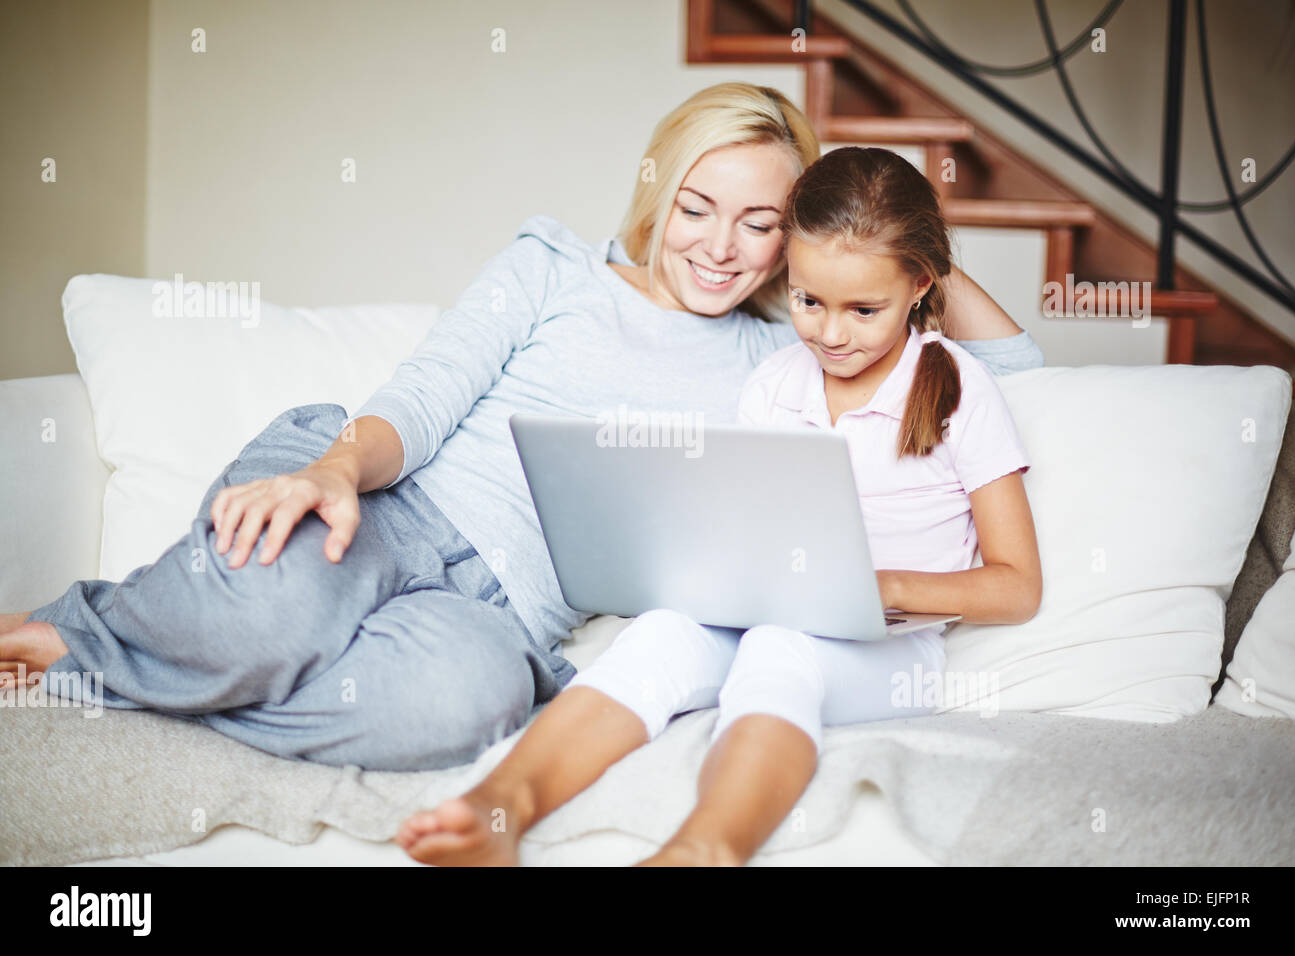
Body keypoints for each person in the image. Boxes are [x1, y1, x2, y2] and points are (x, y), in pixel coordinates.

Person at [0, 86, 1043, 773]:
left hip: (501, 615)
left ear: (794, 240)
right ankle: (86, 633)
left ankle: (121, 685)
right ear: (657, 191)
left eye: (761, 223)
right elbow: (424, 393)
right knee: (262, 616)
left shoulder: (775, 361)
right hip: (387, 502)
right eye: (696, 206)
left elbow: (1010, 372)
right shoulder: (552, 267)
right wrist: (332, 469)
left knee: (459, 713)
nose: (720, 247)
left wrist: (914, 256)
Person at [394, 146, 1043, 866]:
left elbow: (1016, 586)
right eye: (807, 300)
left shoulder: (958, 387)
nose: (831, 333)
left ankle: (705, 850)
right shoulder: (773, 383)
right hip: (767, 606)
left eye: (864, 309)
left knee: (781, 649)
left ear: (921, 282)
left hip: (892, 648)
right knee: (660, 632)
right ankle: (499, 811)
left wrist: (880, 589)